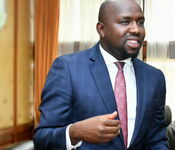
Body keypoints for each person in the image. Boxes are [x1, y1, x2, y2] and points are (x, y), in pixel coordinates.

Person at [33, 0, 168, 149]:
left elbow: (156, 140)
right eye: (125, 22)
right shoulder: (67, 69)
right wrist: (75, 132)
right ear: (101, 29)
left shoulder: (154, 78)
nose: (136, 29)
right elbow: (42, 139)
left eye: (140, 22)